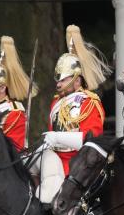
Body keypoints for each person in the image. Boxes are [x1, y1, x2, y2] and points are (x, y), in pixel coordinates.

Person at [41, 25, 107, 205]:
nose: (58, 84)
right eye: (58, 79)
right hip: (55, 159)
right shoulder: (56, 102)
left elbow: (91, 138)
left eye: (63, 79)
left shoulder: (88, 101)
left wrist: (57, 137)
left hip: (78, 164)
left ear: (77, 80)